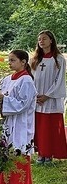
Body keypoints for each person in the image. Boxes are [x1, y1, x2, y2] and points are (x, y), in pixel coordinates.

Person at [0, 50, 37, 184]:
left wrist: (4, 100)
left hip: (20, 122)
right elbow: (2, 95)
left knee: (19, 152)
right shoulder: (8, 79)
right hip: (8, 121)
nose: (10, 63)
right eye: (9, 60)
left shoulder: (26, 81)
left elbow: (23, 104)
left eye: (13, 60)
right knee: (7, 151)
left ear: (23, 62)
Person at [30, 30, 67, 164]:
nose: (41, 41)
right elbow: (30, 78)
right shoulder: (34, 59)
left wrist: (47, 95)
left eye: (44, 38)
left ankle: (49, 155)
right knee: (39, 128)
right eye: (39, 39)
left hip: (51, 98)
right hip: (37, 98)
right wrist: (34, 94)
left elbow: (59, 80)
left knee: (50, 128)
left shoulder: (59, 59)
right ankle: (41, 154)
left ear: (51, 40)